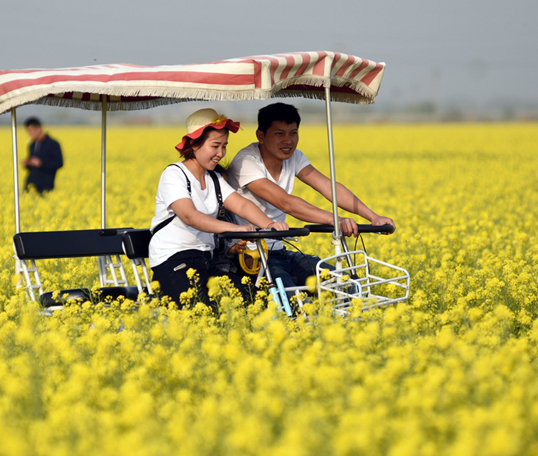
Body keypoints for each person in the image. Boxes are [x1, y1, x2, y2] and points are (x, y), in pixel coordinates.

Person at [225, 102, 395, 291]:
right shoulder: (246, 162)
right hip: (252, 256)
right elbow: (285, 203)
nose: (288, 141)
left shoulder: (295, 157)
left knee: (347, 286)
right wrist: (334, 220)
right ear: (261, 136)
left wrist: (373, 217)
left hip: (280, 251)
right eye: (280, 134)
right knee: (293, 303)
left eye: (293, 133)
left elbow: (329, 188)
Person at [149, 108, 288, 310]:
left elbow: (240, 204)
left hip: (206, 261)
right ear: (194, 144)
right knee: (203, 311)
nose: (221, 154)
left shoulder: (212, 178)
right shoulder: (174, 174)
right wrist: (235, 229)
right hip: (173, 261)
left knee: (258, 302)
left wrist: (269, 225)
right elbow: (189, 216)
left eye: (224, 146)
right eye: (215, 146)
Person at [21, 117, 63, 193]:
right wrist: (28, 164)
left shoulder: (53, 144)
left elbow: (59, 163)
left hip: (45, 187)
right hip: (30, 186)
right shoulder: (32, 145)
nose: (29, 134)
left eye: (30, 131)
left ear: (39, 128)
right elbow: (32, 167)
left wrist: (41, 164)